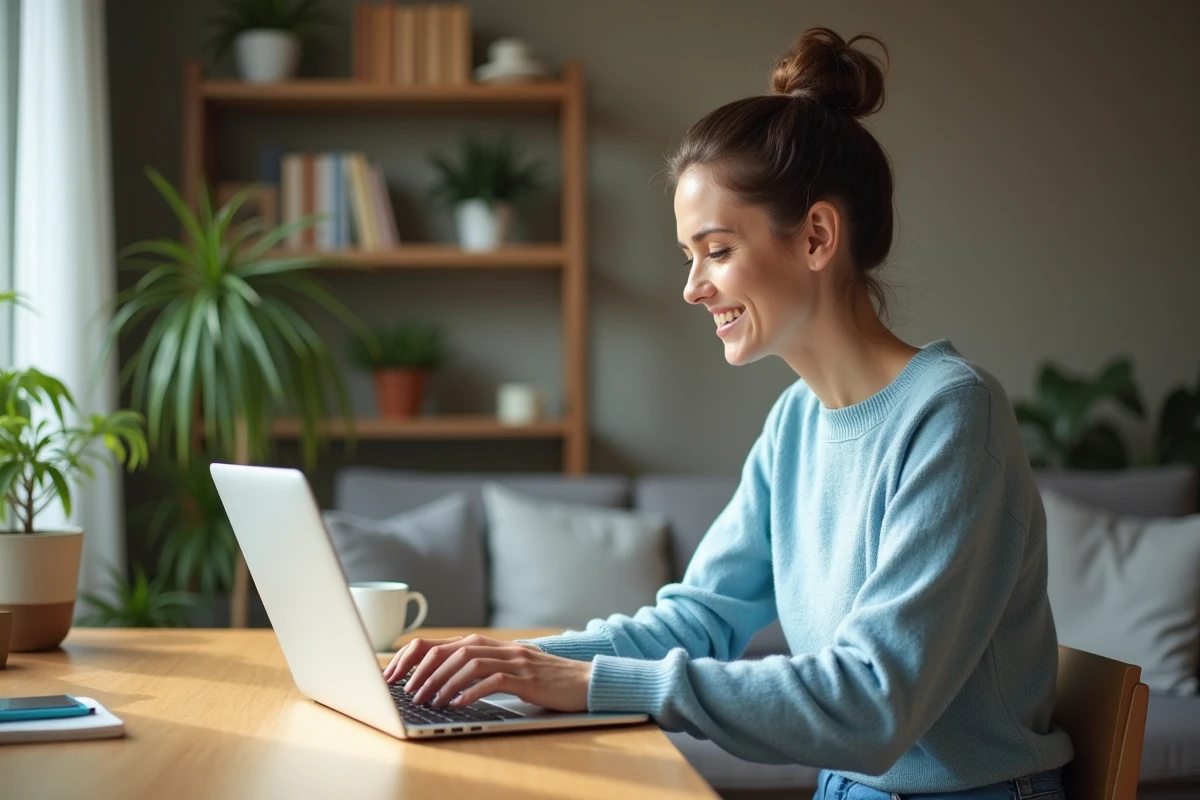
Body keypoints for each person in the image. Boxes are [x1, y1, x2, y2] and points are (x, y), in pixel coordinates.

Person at [384, 27, 1073, 799]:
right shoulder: (796, 423)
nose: (692, 288)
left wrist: (591, 683)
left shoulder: (951, 416)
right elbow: (697, 617)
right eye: (689, 256)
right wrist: (504, 666)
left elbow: (872, 705)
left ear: (815, 236)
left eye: (715, 250)